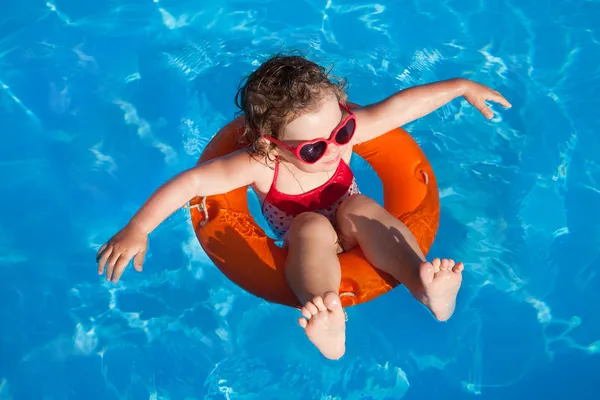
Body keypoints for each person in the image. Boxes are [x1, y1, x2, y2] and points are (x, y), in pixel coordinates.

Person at [96, 53, 511, 360]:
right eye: (313, 148)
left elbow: (402, 106)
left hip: (353, 223)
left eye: (342, 129)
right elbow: (193, 181)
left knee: (359, 209)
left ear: (344, 110)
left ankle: (427, 288)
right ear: (269, 145)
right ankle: (327, 317)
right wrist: (138, 227)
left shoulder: (345, 132)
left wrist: (460, 86)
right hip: (309, 243)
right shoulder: (257, 165)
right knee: (310, 225)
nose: (334, 149)